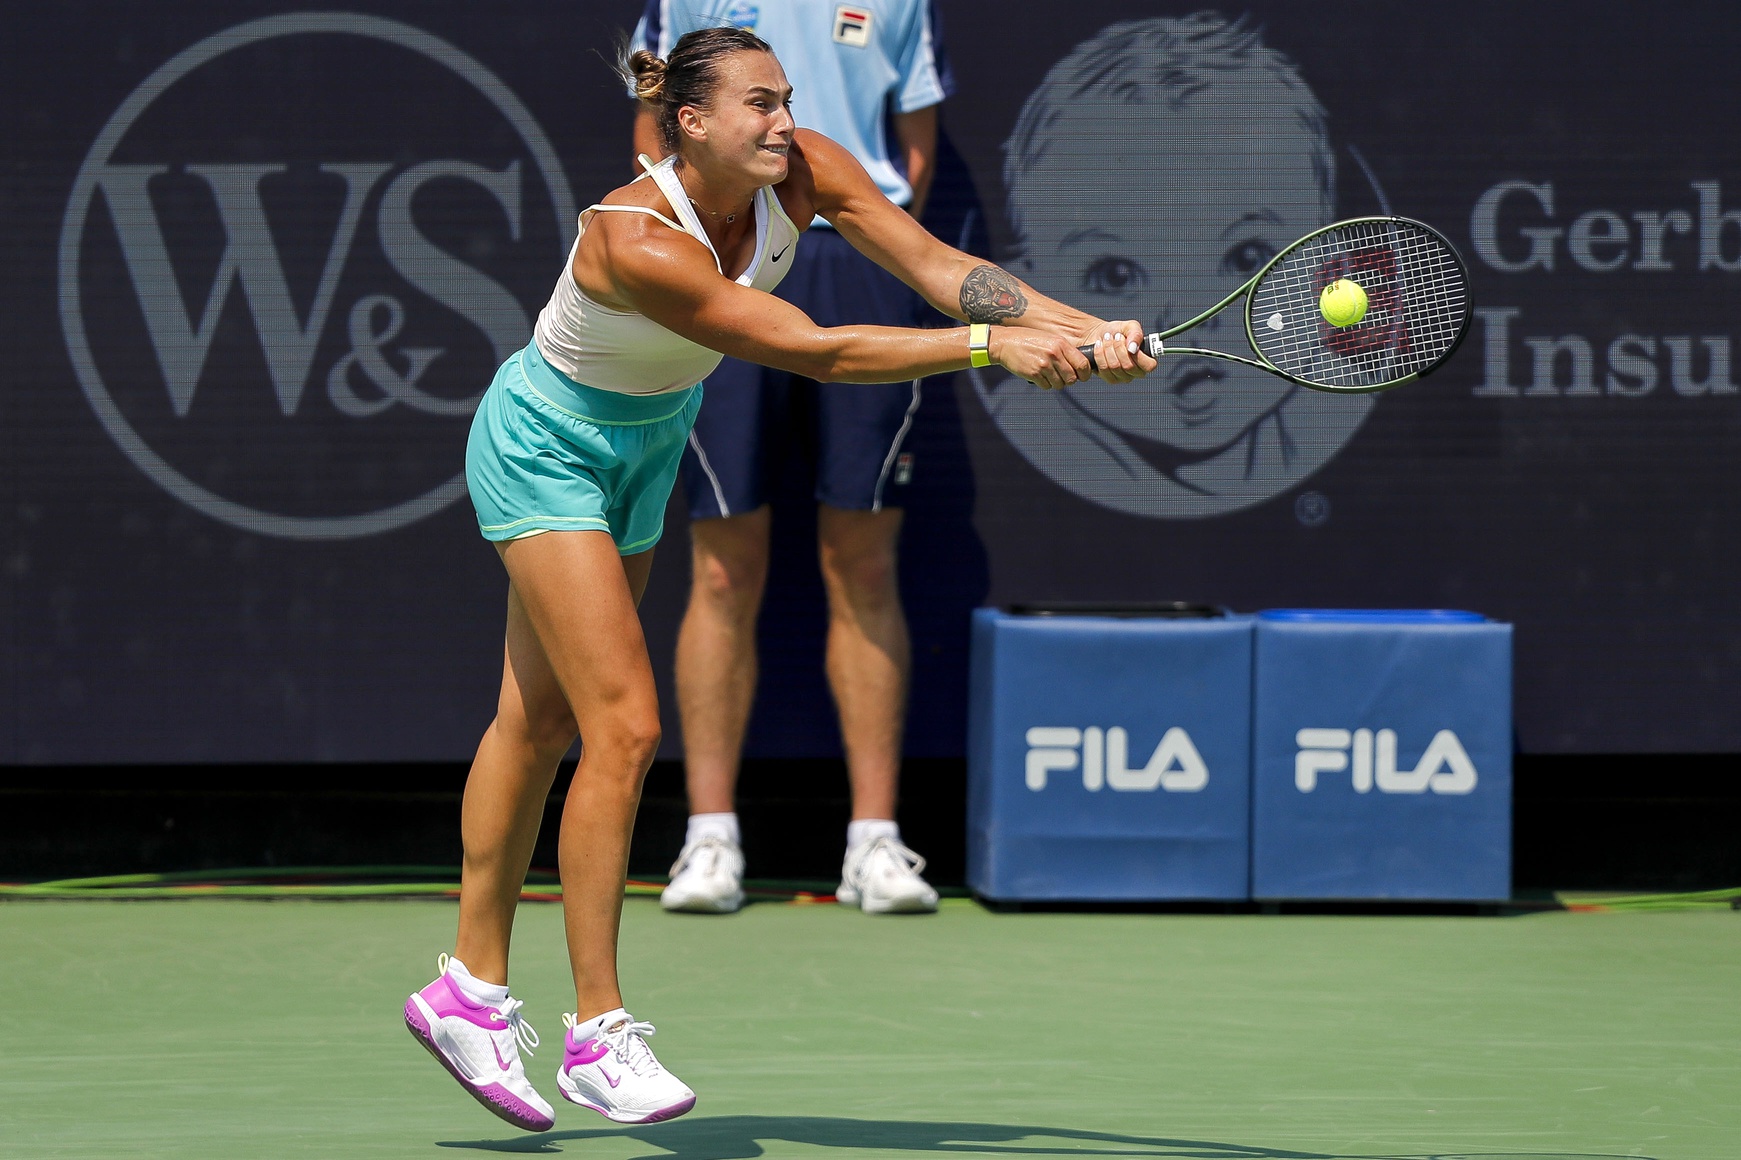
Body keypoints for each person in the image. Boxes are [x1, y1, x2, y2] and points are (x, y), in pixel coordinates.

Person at [402, 25, 1153, 1133]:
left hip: (647, 440)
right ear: (689, 122)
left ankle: (464, 988)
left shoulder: (803, 171)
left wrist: (1079, 327)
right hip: (546, 446)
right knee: (620, 723)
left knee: (538, 717)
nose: (782, 121)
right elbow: (816, 348)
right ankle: (596, 1032)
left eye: (786, 99)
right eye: (758, 103)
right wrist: (994, 350)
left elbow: (941, 271)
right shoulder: (633, 238)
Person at [628, 1, 958, 916]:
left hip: (854, 253)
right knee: (724, 562)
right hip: (726, 261)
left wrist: (863, 244)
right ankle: (708, 838)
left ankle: (874, 844)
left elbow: (913, 148)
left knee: (861, 559)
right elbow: (653, 136)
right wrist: (716, 248)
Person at [974, 12, 1371, 521]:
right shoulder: (1030, 431)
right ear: (1028, 292)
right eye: (1114, 274)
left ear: (1326, 265)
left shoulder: (1332, 410)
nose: (1191, 313)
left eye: (1246, 257)